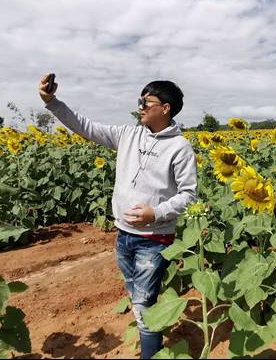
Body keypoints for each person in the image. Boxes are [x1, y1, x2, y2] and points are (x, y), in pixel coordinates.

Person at [38, 74, 197, 359]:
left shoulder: (180, 148)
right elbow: (85, 126)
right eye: (140, 101)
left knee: (144, 303)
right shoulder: (128, 135)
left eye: (146, 102)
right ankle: (152, 340)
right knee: (138, 299)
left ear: (165, 108)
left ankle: (151, 353)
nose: (140, 107)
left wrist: (155, 213)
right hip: (124, 235)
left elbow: (188, 194)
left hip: (155, 239)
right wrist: (52, 102)